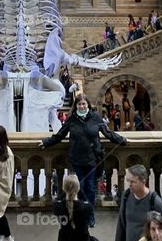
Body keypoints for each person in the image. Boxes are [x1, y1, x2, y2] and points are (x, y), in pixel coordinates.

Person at [39, 94, 126, 227]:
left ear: (88, 105)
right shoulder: (72, 119)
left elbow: (107, 133)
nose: (82, 106)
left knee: (90, 188)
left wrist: (122, 140)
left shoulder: (95, 117)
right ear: (76, 106)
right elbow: (60, 134)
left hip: (92, 158)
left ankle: (90, 215)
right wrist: (47, 142)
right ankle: (81, 214)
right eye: (79, 104)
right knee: (80, 188)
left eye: (84, 104)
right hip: (77, 158)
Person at [114, 164, 162, 241]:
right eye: (128, 180)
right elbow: (121, 224)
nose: (129, 184)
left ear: (143, 182)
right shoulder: (126, 195)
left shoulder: (155, 201)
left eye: (133, 182)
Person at [53, 174, 92, 241]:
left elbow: (57, 199)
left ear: (64, 188)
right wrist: (78, 190)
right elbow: (86, 200)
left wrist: (66, 190)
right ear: (78, 188)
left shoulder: (58, 206)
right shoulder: (87, 207)